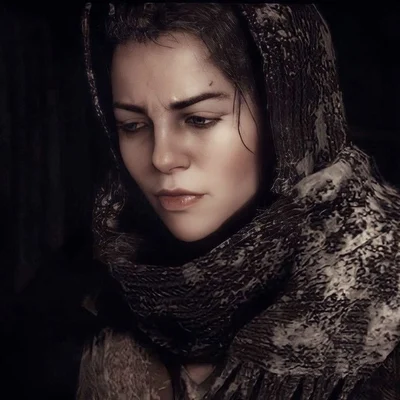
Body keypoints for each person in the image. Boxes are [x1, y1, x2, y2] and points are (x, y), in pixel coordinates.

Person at [2, 3, 400, 399]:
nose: (161, 157)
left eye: (199, 120)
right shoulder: (80, 293)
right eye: (133, 125)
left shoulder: (386, 288)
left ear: (286, 117)